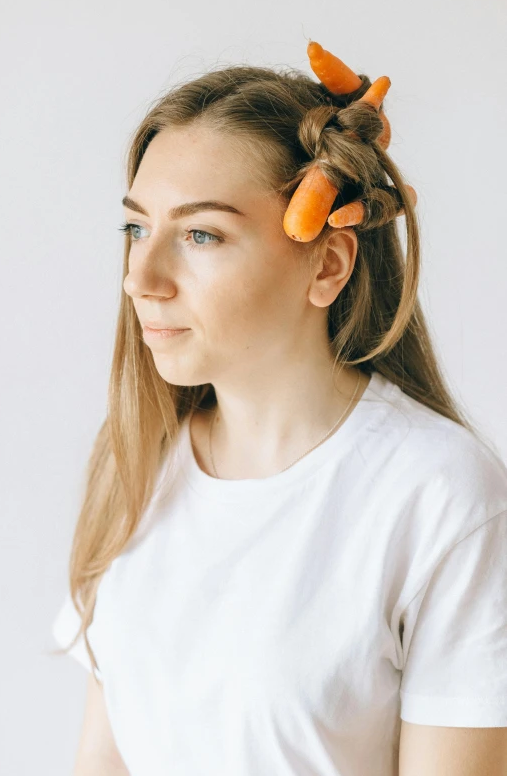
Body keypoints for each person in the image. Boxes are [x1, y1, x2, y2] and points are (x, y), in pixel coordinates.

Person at [50, 41, 507, 776]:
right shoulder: (136, 458)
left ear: (327, 264)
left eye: (200, 234)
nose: (142, 276)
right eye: (136, 227)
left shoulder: (440, 496)